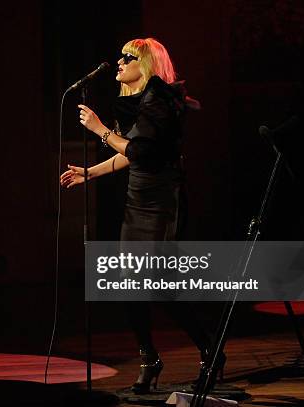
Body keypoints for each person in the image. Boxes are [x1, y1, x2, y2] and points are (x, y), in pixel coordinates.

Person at [60, 37, 224, 394]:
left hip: (163, 201)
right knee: (129, 286)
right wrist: (90, 172)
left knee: (161, 287)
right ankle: (149, 357)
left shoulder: (160, 100)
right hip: (138, 199)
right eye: (119, 55)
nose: (119, 62)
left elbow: (139, 150)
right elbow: (128, 154)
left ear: (146, 64)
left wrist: (101, 130)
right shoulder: (137, 102)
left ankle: (211, 348)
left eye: (127, 57)